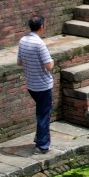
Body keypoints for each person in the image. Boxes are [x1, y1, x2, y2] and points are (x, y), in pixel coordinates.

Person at [17, 16, 55, 154]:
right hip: (43, 85)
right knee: (44, 114)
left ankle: (40, 136)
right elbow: (49, 65)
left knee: (42, 111)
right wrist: (53, 62)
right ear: (42, 27)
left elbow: (19, 62)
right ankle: (42, 145)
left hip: (31, 84)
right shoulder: (39, 44)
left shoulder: (23, 41)